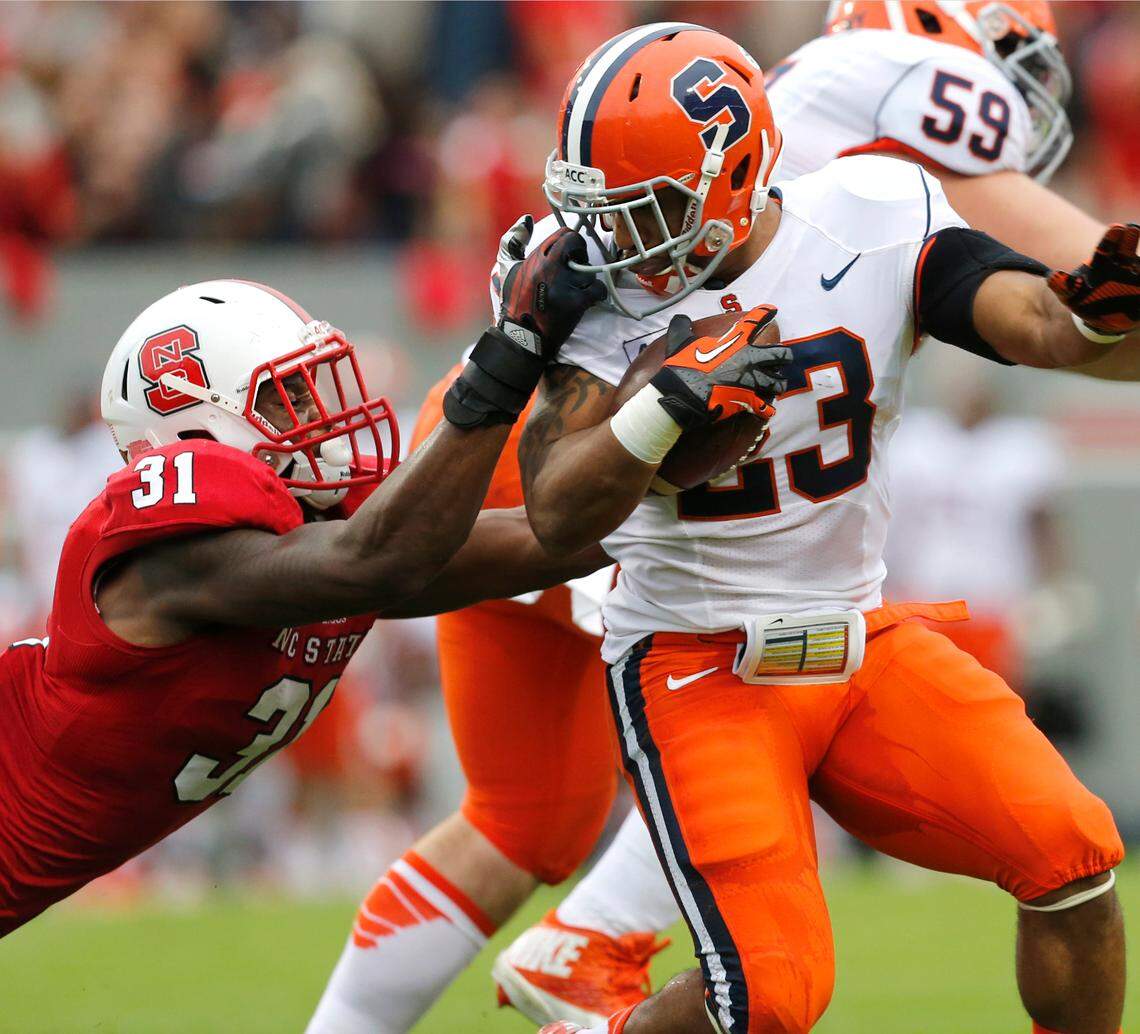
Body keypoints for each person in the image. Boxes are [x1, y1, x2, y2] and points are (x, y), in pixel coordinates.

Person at [500, 3, 1140, 1026]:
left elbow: (1022, 314)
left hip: (862, 644)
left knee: (1075, 857)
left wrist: (1087, 308)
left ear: (739, 171)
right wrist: (663, 409)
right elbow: (553, 500)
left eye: (646, 207)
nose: (613, 239)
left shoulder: (876, 207)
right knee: (770, 997)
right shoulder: (600, 294)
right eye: (601, 209)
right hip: (694, 664)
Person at [0, 222, 616, 938]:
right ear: (195, 431)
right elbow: (375, 560)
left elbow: (531, 540)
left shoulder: (314, 545)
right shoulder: (174, 556)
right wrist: (509, 355)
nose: (318, 417)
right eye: (283, 396)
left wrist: (674, 480)